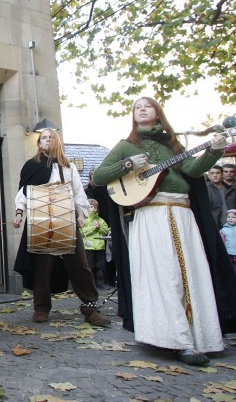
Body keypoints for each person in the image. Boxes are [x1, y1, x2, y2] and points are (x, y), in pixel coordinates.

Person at [93, 96, 236, 366]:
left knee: (191, 274)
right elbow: (99, 176)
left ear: (158, 113)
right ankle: (176, 339)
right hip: (152, 215)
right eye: (137, 107)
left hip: (182, 213)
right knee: (165, 275)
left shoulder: (173, 145)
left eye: (147, 106)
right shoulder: (126, 146)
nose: (141, 109)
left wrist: (214, 151)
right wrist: (127, 165)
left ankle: (202, 336)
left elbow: (193, 170)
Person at [12, 128, 111, 327]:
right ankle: (41, 308)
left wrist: (81, 215)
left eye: (51, 137)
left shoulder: (68, 166)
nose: (47, 140)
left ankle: (90, 308)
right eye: (44, 138)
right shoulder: (32, 166)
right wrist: (19, 213)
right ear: (39, 143)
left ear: (57, 141)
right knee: (42, 267)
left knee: (80, 265)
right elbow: (24, 192)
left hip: (67, 220)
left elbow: (78, 192)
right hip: (42, 221)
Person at [81, 198, 110, 290]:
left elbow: (106, 231)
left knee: (99, 266)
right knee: (89, 266)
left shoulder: (100, 220)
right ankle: (89, 284)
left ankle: (100, 283)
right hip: (88, 247)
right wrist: (93, 228)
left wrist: (99, 227)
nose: (93, 208)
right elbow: (81, 232)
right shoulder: (83, 220)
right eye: (91, 206)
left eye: (95, 207)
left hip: (99, 247)